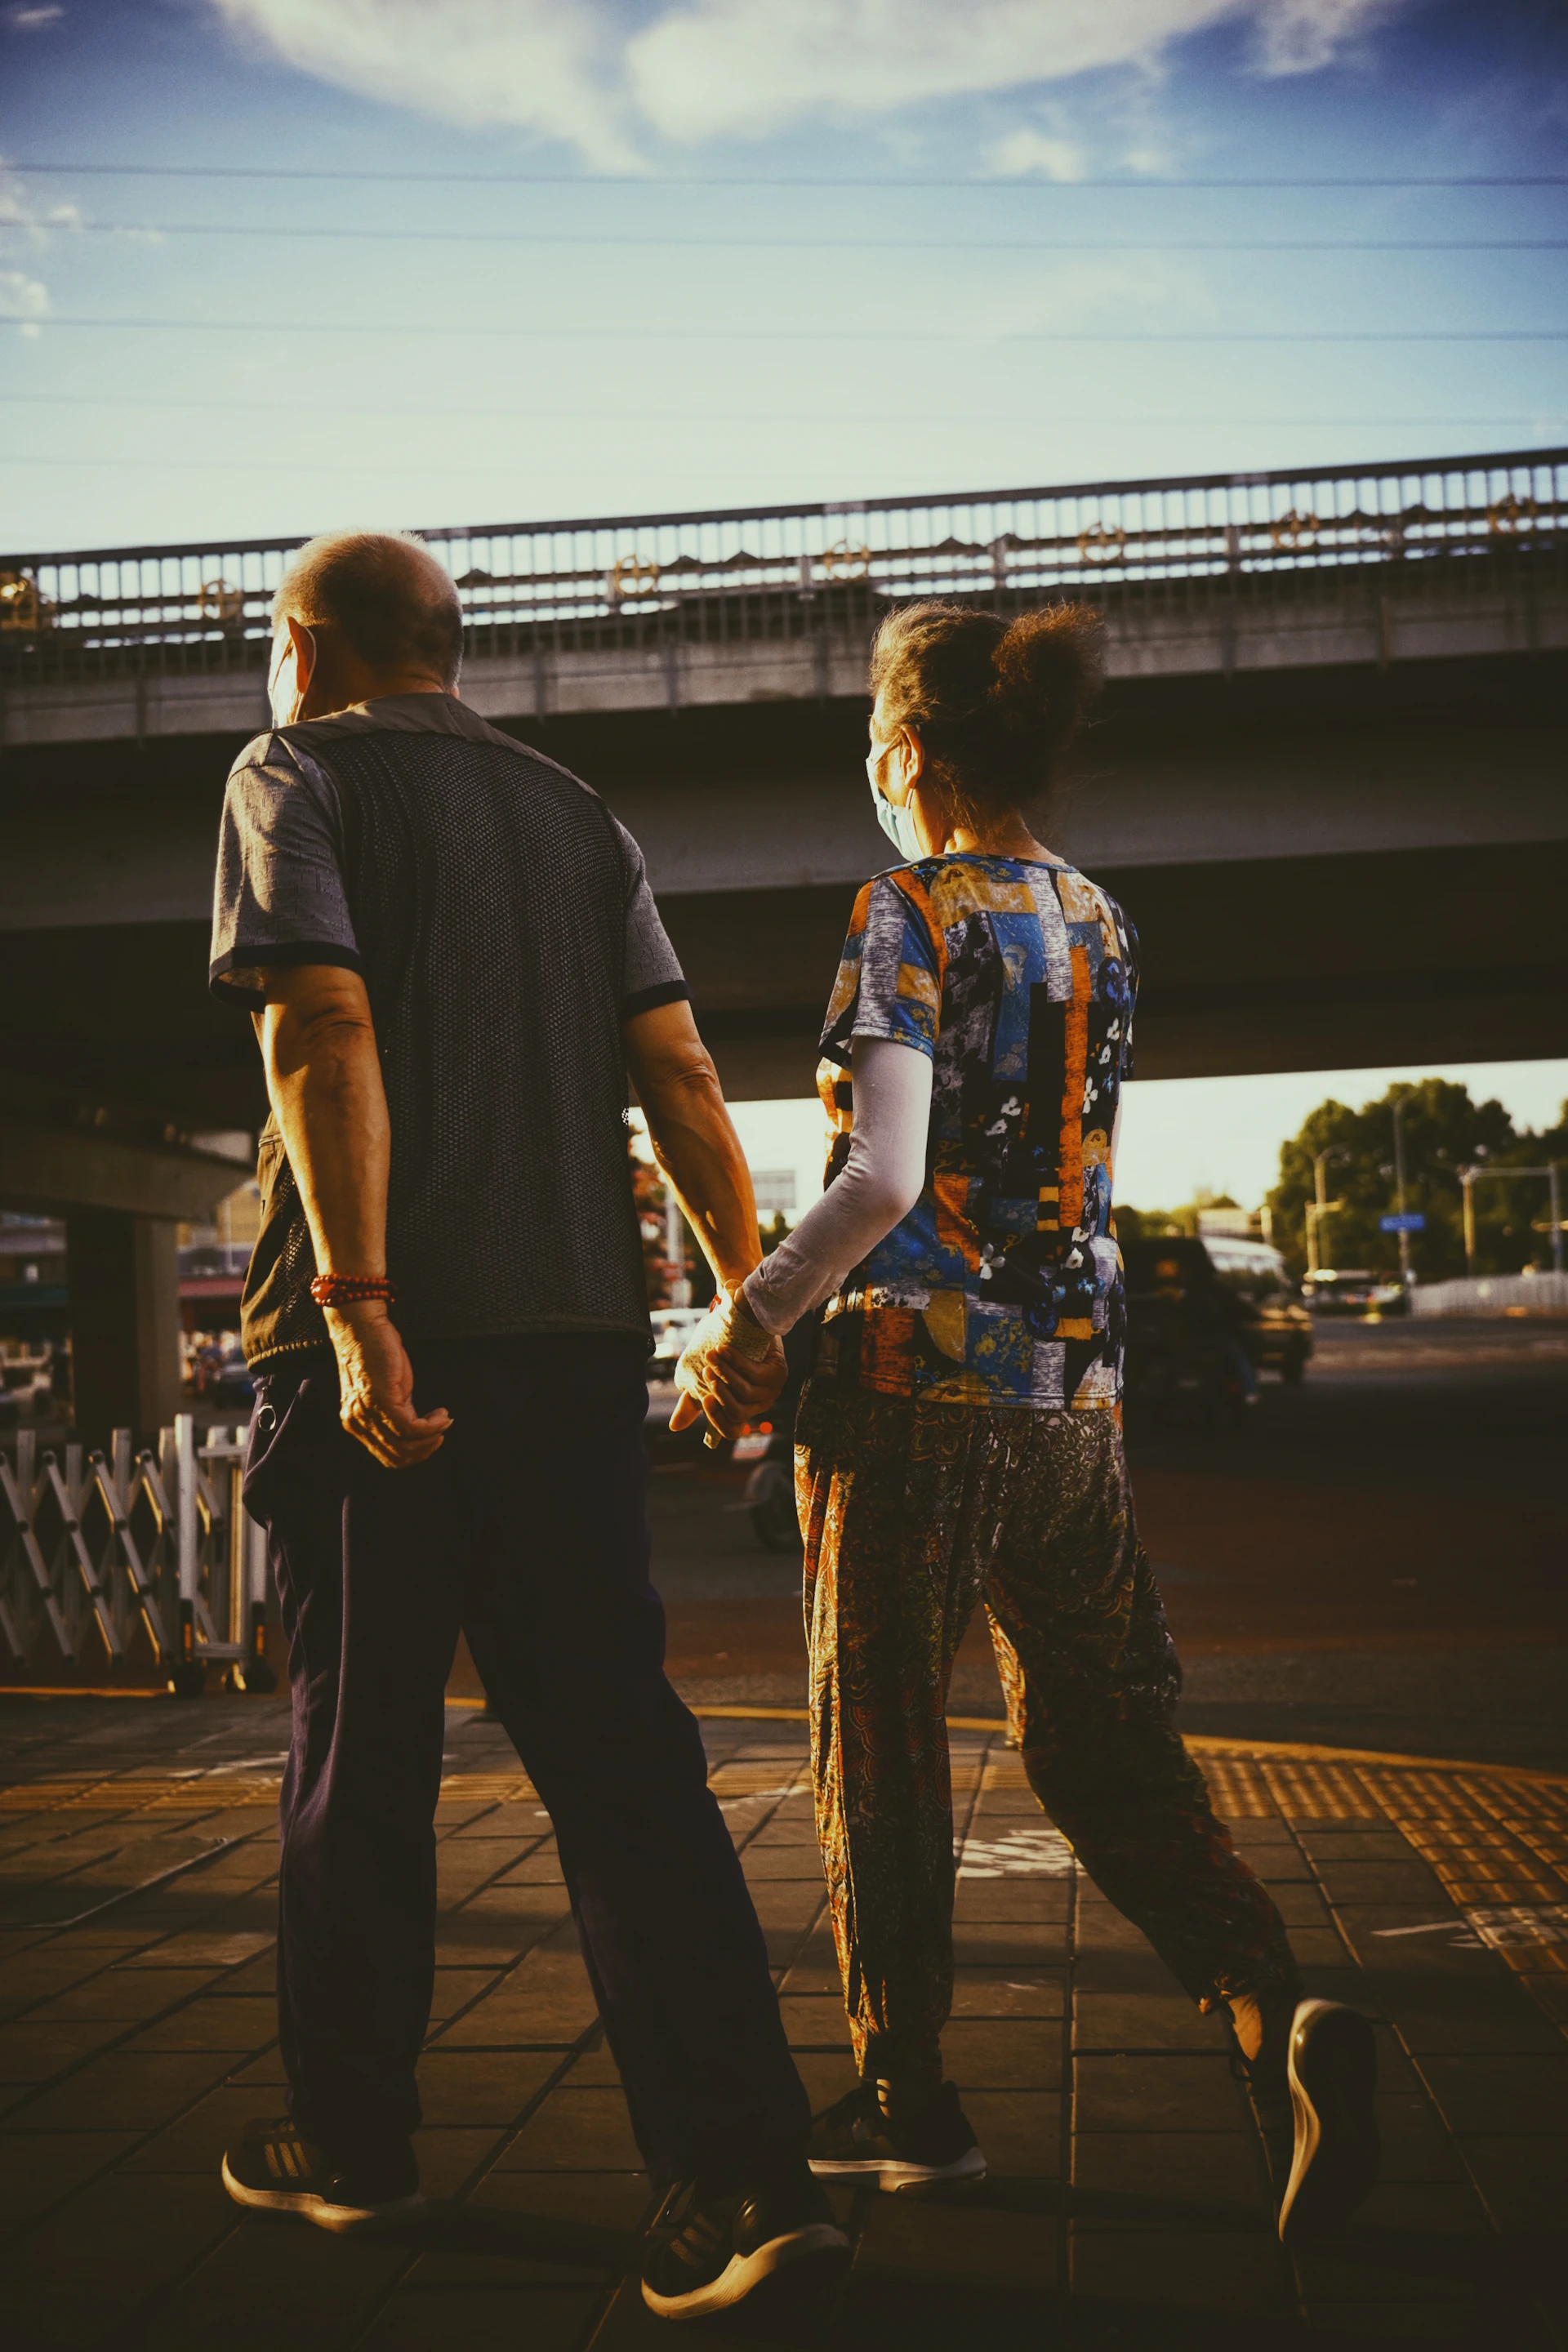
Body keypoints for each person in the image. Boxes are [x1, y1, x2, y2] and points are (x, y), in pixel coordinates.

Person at [679, 599, 1379, 2242]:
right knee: (1101, 1731)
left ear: (906, 749)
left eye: (872, 745)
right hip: (1076, 1399)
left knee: (887, 1746)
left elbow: (887, 1177)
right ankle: (1269, 2009)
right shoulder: (1102, 917)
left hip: (911, 1394)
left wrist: (749, 1322)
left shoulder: (905, 909)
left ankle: (906, 2102)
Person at [207, 530, 847, 2319]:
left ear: (304, 649)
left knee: (363, 1762)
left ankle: (357, 2150)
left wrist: (355, 1311)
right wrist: (750, 1295)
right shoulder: (579, 815)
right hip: (572, 1350)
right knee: (625, 1762)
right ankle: (741, 2184)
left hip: (376, 1364)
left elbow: (322, 1026)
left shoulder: (291, 771)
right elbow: (683, 1072)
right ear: (448, 648)